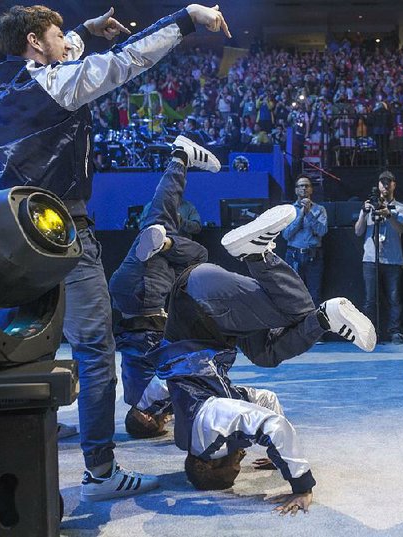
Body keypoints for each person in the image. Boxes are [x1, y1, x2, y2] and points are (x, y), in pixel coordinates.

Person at [0, 3, 231, 501]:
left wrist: (84, 31)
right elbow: (129, 59)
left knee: (24, 345)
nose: (63, 42)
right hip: (61, 230)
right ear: (34, 41)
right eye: (55, 35)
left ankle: (32, 431)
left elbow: (58, 54)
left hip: (9, 233)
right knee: (95, 352)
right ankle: (99, 472)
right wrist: (185, 17)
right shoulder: (58, 83)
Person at [149, 205, 377, 513]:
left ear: (208, 465)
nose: (241, 460)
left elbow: (273, 427)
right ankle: (325, 320)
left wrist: (301, 485)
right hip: (211, 315)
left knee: (295, 308)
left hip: (200, 302)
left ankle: (257, 254)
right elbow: (266, 402)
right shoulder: (198, 405)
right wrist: (275, 456)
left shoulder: (207, 428)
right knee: (265, 354)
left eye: (233, 469)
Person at [109, 136, 219, 439]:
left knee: (190, 248)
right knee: (171, 235)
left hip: (145, 299)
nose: (166, 419)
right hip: (124, 294)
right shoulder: (133, 396)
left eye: (162, 421)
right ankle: (165, 238)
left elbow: (187, 387)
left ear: (147, 417)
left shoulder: (151, 397)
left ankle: (179, 158)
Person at [355, 171, 403, 344]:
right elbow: (358, 231)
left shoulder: (401, 208)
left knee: (394, 298)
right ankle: (370, 332)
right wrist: (364, 213)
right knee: (370, 299)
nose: (385, 186)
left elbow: (400, 229)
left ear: (394, 185)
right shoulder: (370, 205)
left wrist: (389, 214)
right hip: (371, 258)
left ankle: (395, 331)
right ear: (378, 185)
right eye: (382, 183)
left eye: (389, 182)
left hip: (393, 258)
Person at [282, 176, 328, 306]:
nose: (304, 188)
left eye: (307, 185)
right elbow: (286, 235)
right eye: (301, 186)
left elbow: (322, 231)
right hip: (293, 255)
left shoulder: (319, 210)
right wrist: (301, 213)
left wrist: (309, 213)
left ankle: (313, 325)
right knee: (293, 293)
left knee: (314, 294)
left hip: (314, 255)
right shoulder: (289, 210)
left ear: (311, 190)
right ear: (296, 190)